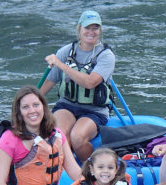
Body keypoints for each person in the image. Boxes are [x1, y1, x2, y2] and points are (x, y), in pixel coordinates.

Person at [40, 10, 115, 162]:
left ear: (100, 31)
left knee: (78, 137)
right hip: (66, 106)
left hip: (94, 111)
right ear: (79, 29)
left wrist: (62, 65)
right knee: (59, 136)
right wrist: (29, 104)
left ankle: (88, 170)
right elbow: (48, 83)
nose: (91, 32)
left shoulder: (106, 56)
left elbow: (90, 82)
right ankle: (62, 171)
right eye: (87, 27)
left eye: (95, 28)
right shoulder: (65, 52)